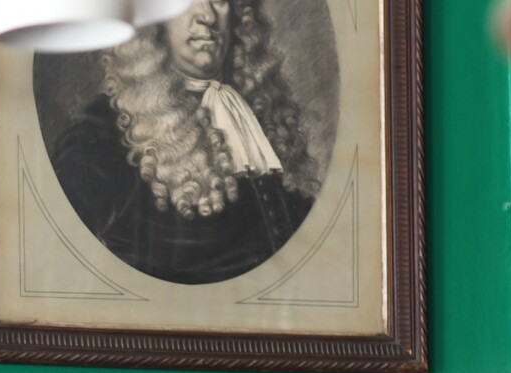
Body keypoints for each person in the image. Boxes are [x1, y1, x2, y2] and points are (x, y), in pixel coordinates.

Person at [46, 0, 322, 286]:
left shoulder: (262, 116)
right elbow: (57, 251)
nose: (207, 16)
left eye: (220, 1)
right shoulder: (101, 131)